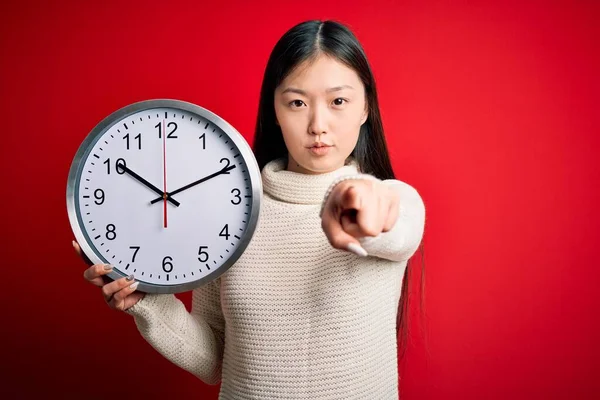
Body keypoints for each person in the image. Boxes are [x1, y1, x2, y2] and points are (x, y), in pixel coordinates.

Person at [75, 19, 426, 399]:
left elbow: (393, 223)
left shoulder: (395, 199)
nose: (318, 125)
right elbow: (212, 360)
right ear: (274, 110)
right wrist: (147, 302)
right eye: (297, 103)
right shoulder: (230, 216)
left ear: (365, 108)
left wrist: (353, 203)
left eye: (338, 101)